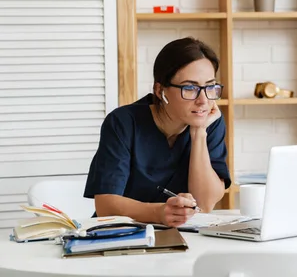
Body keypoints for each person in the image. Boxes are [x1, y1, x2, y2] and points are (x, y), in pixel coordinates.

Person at [84, 37, 231, 227]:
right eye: (190, 88)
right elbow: (105, 204)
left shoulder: (210, 122)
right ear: (160, 90)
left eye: (210, 87)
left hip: (180, 237)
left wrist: (199, 133)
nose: (203, 100)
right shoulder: (124, 122)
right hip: (119, 235)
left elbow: (204, 204)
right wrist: (159, 213)